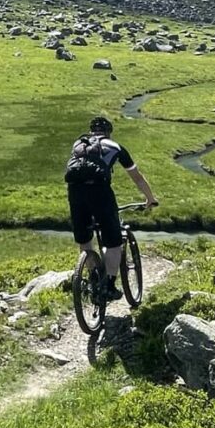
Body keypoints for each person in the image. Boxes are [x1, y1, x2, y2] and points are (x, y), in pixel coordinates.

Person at [65, 115, 158, 297]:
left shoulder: (78, 145)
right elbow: (137, 177)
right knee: (114, 242)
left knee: (84, 239)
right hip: (100, 193)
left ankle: (92, 276)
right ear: (109, 132)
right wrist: (150, 198)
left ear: (92, 131)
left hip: (75, 193)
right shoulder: (115, 147)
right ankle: (108, 285)